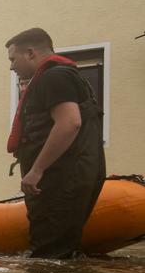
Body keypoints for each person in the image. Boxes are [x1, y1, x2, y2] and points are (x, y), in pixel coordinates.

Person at [6, 27, 106, 258]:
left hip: (59, 180)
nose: (12, 66)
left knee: (50, 256)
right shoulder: (67, 76)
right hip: (72, 176)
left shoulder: (54, 77)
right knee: (62, 251)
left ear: (30, 53)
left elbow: (70, 123)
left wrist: (36, 170)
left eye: (13, 59)